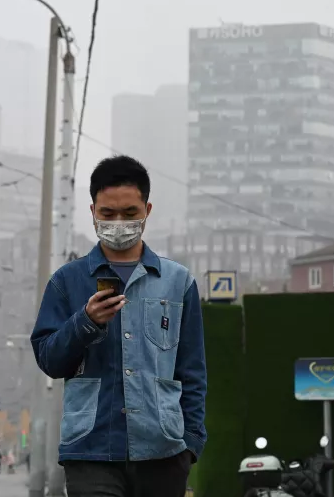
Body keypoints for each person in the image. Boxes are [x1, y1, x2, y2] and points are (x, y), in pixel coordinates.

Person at [30, 156, 207, 497]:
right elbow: (49, 360)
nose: (119, 222)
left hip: (164, 451)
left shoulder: (178, 282)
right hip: (90, 449)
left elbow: (193, 370)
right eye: (108, 214)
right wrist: (85, 322)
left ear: (147, 210)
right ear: (94, 211)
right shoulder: (66, 282)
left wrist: (190, 444)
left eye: (129, 213)